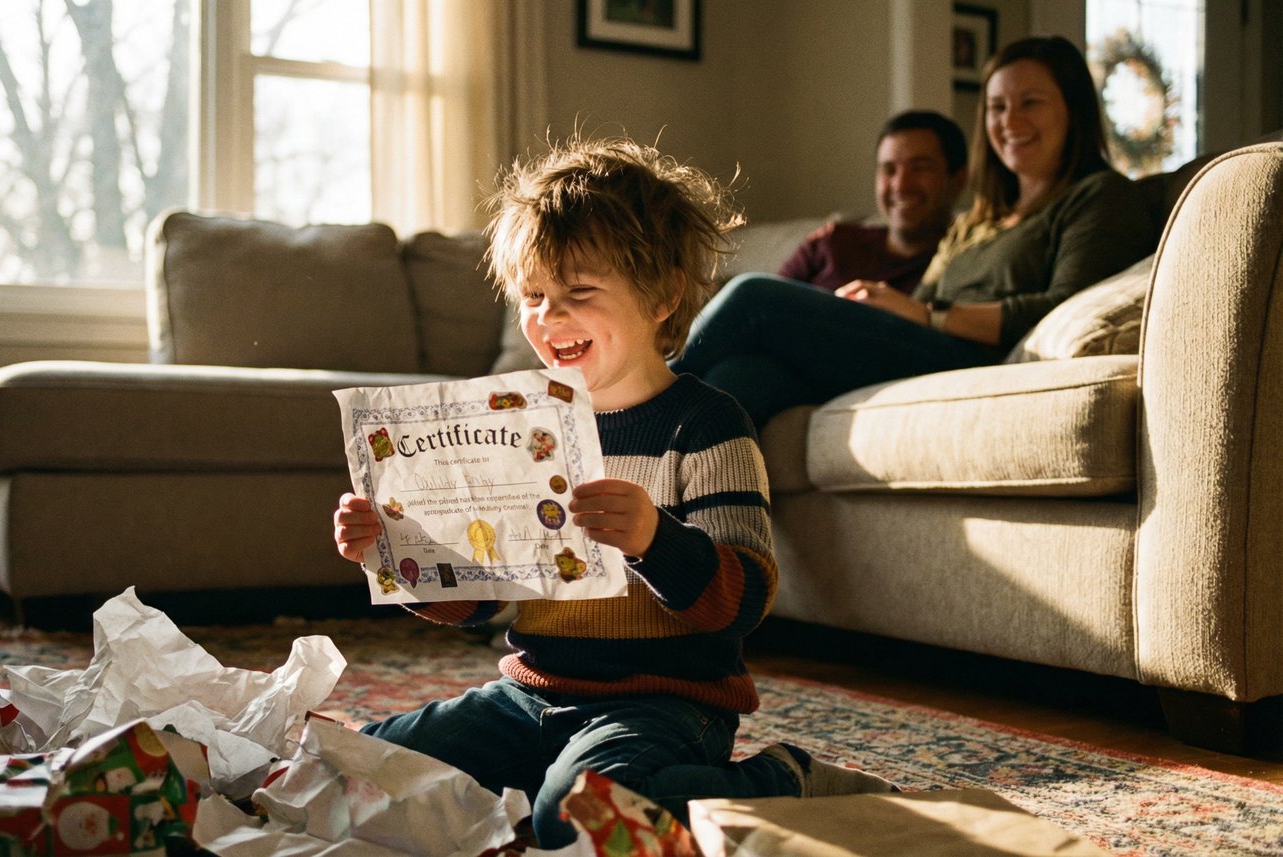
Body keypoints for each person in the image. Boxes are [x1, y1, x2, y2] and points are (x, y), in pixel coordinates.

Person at [331, 136, 895, 849]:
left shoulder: (708, 426)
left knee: (577, 816)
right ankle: (538, 787)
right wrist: (398, 552)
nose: (548, 317)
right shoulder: (527, 429)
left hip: (666, 704)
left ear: (662, 296)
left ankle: (781, 781)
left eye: (579, 293)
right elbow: (483, 597)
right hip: (529, 694)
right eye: (534, 296)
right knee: (355, 766)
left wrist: (654, 541)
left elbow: (744, 600)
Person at [671, 35, 1160, 427]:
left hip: (971, 357)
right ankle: (683, 538)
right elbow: (912, 309)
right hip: (917, 345)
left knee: (755, 296)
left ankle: (626, 412)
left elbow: (1060, 304)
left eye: (1030, 102)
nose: (1011, 121)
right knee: (742, 379)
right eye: (996, 107)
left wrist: (931, 315)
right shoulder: (981, 220)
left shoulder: (1098, 196)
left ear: (1073, 110)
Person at [779, 109, 968, 294]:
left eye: (920, 168)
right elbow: (759, 303)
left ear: (958, 179)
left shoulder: (967, 267)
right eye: (889, 169)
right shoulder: (830, 241)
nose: (901, 186)